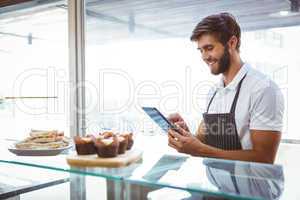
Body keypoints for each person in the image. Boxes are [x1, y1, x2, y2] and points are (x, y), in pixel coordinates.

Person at [167, 13, 284, 164]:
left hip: (251, 187)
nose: (204, 56)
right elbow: (202, 143)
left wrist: (200, 150)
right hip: (217, 186)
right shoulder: (214, 93)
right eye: (201, 50)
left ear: (232, 43)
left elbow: (264, 158)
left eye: (209, 48)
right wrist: (185, 135)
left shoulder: (263, 89)